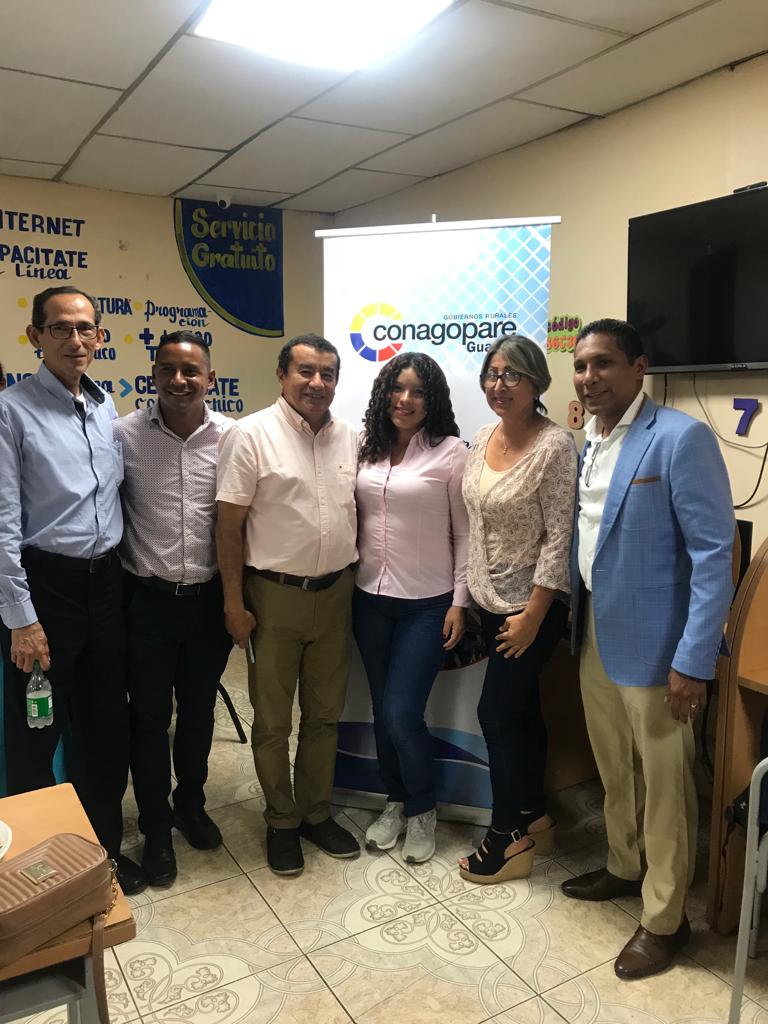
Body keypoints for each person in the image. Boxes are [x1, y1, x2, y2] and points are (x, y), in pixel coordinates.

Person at [564, 318, 734, 979]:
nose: (590, 377)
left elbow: (714, 553)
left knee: (665, 786)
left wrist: (693, 660)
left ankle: (666, 920)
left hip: (660, 648)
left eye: (604, 363)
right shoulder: (589, 440)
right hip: (594, 634)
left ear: (640, 368)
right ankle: (623, 864)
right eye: (581, 365)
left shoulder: (679, 438)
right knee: (615, 768)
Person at [0, 286, 142, 894]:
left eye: (86, 328)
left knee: (105, 730)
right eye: (60, 328)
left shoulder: (105, 407)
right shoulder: (11, 411)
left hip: (105, 585)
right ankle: (38, 871)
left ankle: (101, 854)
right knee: (37, 735)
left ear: (99, 336)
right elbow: (3, 522)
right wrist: (21, 618)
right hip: (45, 589)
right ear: (35, 336)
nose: (75, 339)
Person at [216, 333, 359, 876]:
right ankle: (281, 819)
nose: (316, 383)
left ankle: (316, 812)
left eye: (327, 374)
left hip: (337, 595)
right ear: (282, 376)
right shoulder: (250, 434)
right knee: (274, 719)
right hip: (272, 597)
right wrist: (234, 603)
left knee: (324, 715)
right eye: (305, 371)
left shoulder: (351, 437)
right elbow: (228, 527)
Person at [113, 331, 234, 888]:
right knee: (149, 718)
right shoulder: (124, 436)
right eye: (168, 369)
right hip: (147, 602)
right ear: (154, 374)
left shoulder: (232, 437)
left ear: (210, 378)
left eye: (191, 371)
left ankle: (190, 803)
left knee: (199, 712)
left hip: (207, 602)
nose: (179, 380)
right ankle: (156, 828)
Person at [458, 335, 577, 885]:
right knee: (522, 708)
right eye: (492, 373)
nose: (499, 384)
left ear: (537, 384)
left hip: (531, 609)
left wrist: (532, 615)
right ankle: (534, 812)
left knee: (496, 714)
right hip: (488, 601)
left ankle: (507, 837)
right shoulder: (484, 436)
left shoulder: (554, 446)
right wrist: (466, 597)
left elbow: (559, 538)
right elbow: (475, 522)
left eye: (512, 375)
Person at [354, 353, 469, 864]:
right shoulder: (366, 447)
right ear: (384, 393)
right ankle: (395, 801)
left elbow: (465, 533)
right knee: (382, 711)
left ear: (432, 400)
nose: (405, 399)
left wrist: (460, 601)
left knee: (402, 712)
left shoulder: (451, 453)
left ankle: (423, 810)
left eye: (418, 391)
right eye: (398, 388)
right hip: (368, 600)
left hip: (427, 604)